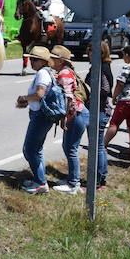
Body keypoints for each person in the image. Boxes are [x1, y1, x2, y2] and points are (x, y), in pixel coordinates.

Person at [16, 46, 54, 194]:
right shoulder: (44, 73)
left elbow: (39, 94)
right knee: (36, 149)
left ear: (43, 61)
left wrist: (25, 98)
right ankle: (39, 179)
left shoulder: (42, 74)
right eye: (30, 59)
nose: (31, 61)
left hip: (40, 116)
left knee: (30, 149)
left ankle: (40, 183)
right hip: (41, 115)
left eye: (34, 59)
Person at [50, 45, 86, 194]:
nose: (50, 60)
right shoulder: (66, 72)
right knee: (68, 146)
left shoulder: (64, 74)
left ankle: (73, 184)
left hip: (75, 114)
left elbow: (68, 98)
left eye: (53, 58)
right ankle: (72, 179)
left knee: (71, 149)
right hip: (78, 113)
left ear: (60, 61)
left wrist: (67, 117)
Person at [103, 45, 130, 158]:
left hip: (125, 100)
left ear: (127, 55)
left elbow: (120, 84)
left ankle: (103, 145)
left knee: (114, 123)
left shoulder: (126, 68)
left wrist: (115, 96)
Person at [85, 41, 113, 188]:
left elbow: (105, 90)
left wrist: (90, 97)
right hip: (98, 110)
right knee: (98, 146)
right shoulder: (99, 67)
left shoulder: (102, 68)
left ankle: (98, 178)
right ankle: (99, 177)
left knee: (97, 147)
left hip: (99, 111)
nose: (88, 53)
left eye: (90, 50)